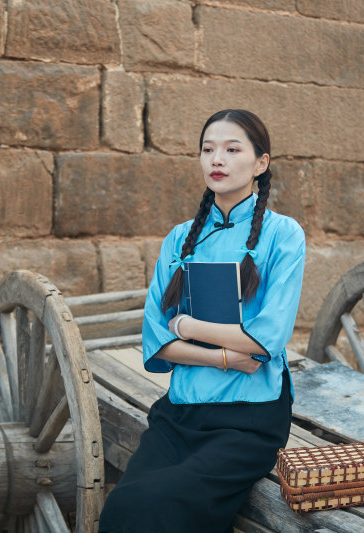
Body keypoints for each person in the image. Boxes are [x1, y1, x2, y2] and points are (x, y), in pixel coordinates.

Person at [98, 109, 306, 533]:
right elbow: (156, 339)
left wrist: (187, 327)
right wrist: (225, 357)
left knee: (162, 505)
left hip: (250, 417)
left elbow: (267, 337)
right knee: (122, 506)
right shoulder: (179, 238)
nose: (218, 159)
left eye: (232, 149)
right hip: (181, 412)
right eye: (208, 149)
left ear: (260, 164)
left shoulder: (284, 235)